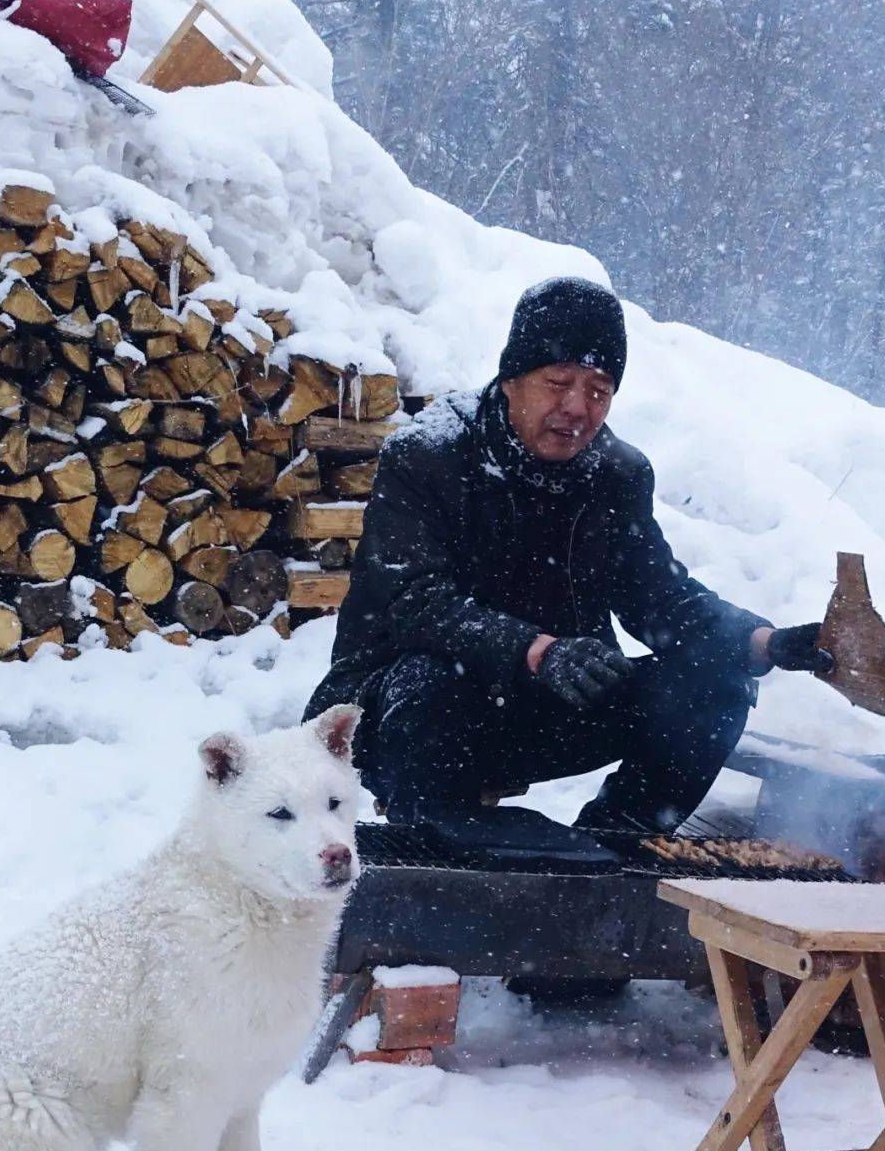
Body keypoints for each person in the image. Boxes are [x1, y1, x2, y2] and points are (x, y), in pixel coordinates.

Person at [304, 276, 832, 836]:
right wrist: (534, 650)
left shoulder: (617, 475)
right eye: (558, 383)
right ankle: (441, 853)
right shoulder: (428, 454)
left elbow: (659, 598)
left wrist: (764, 642)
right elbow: (414, 603)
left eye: (599, 391)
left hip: (552, 697)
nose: (577, 408)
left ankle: (619, 845)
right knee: (429, 681)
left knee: (717, 682)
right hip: (402, 710)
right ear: (512, 380)